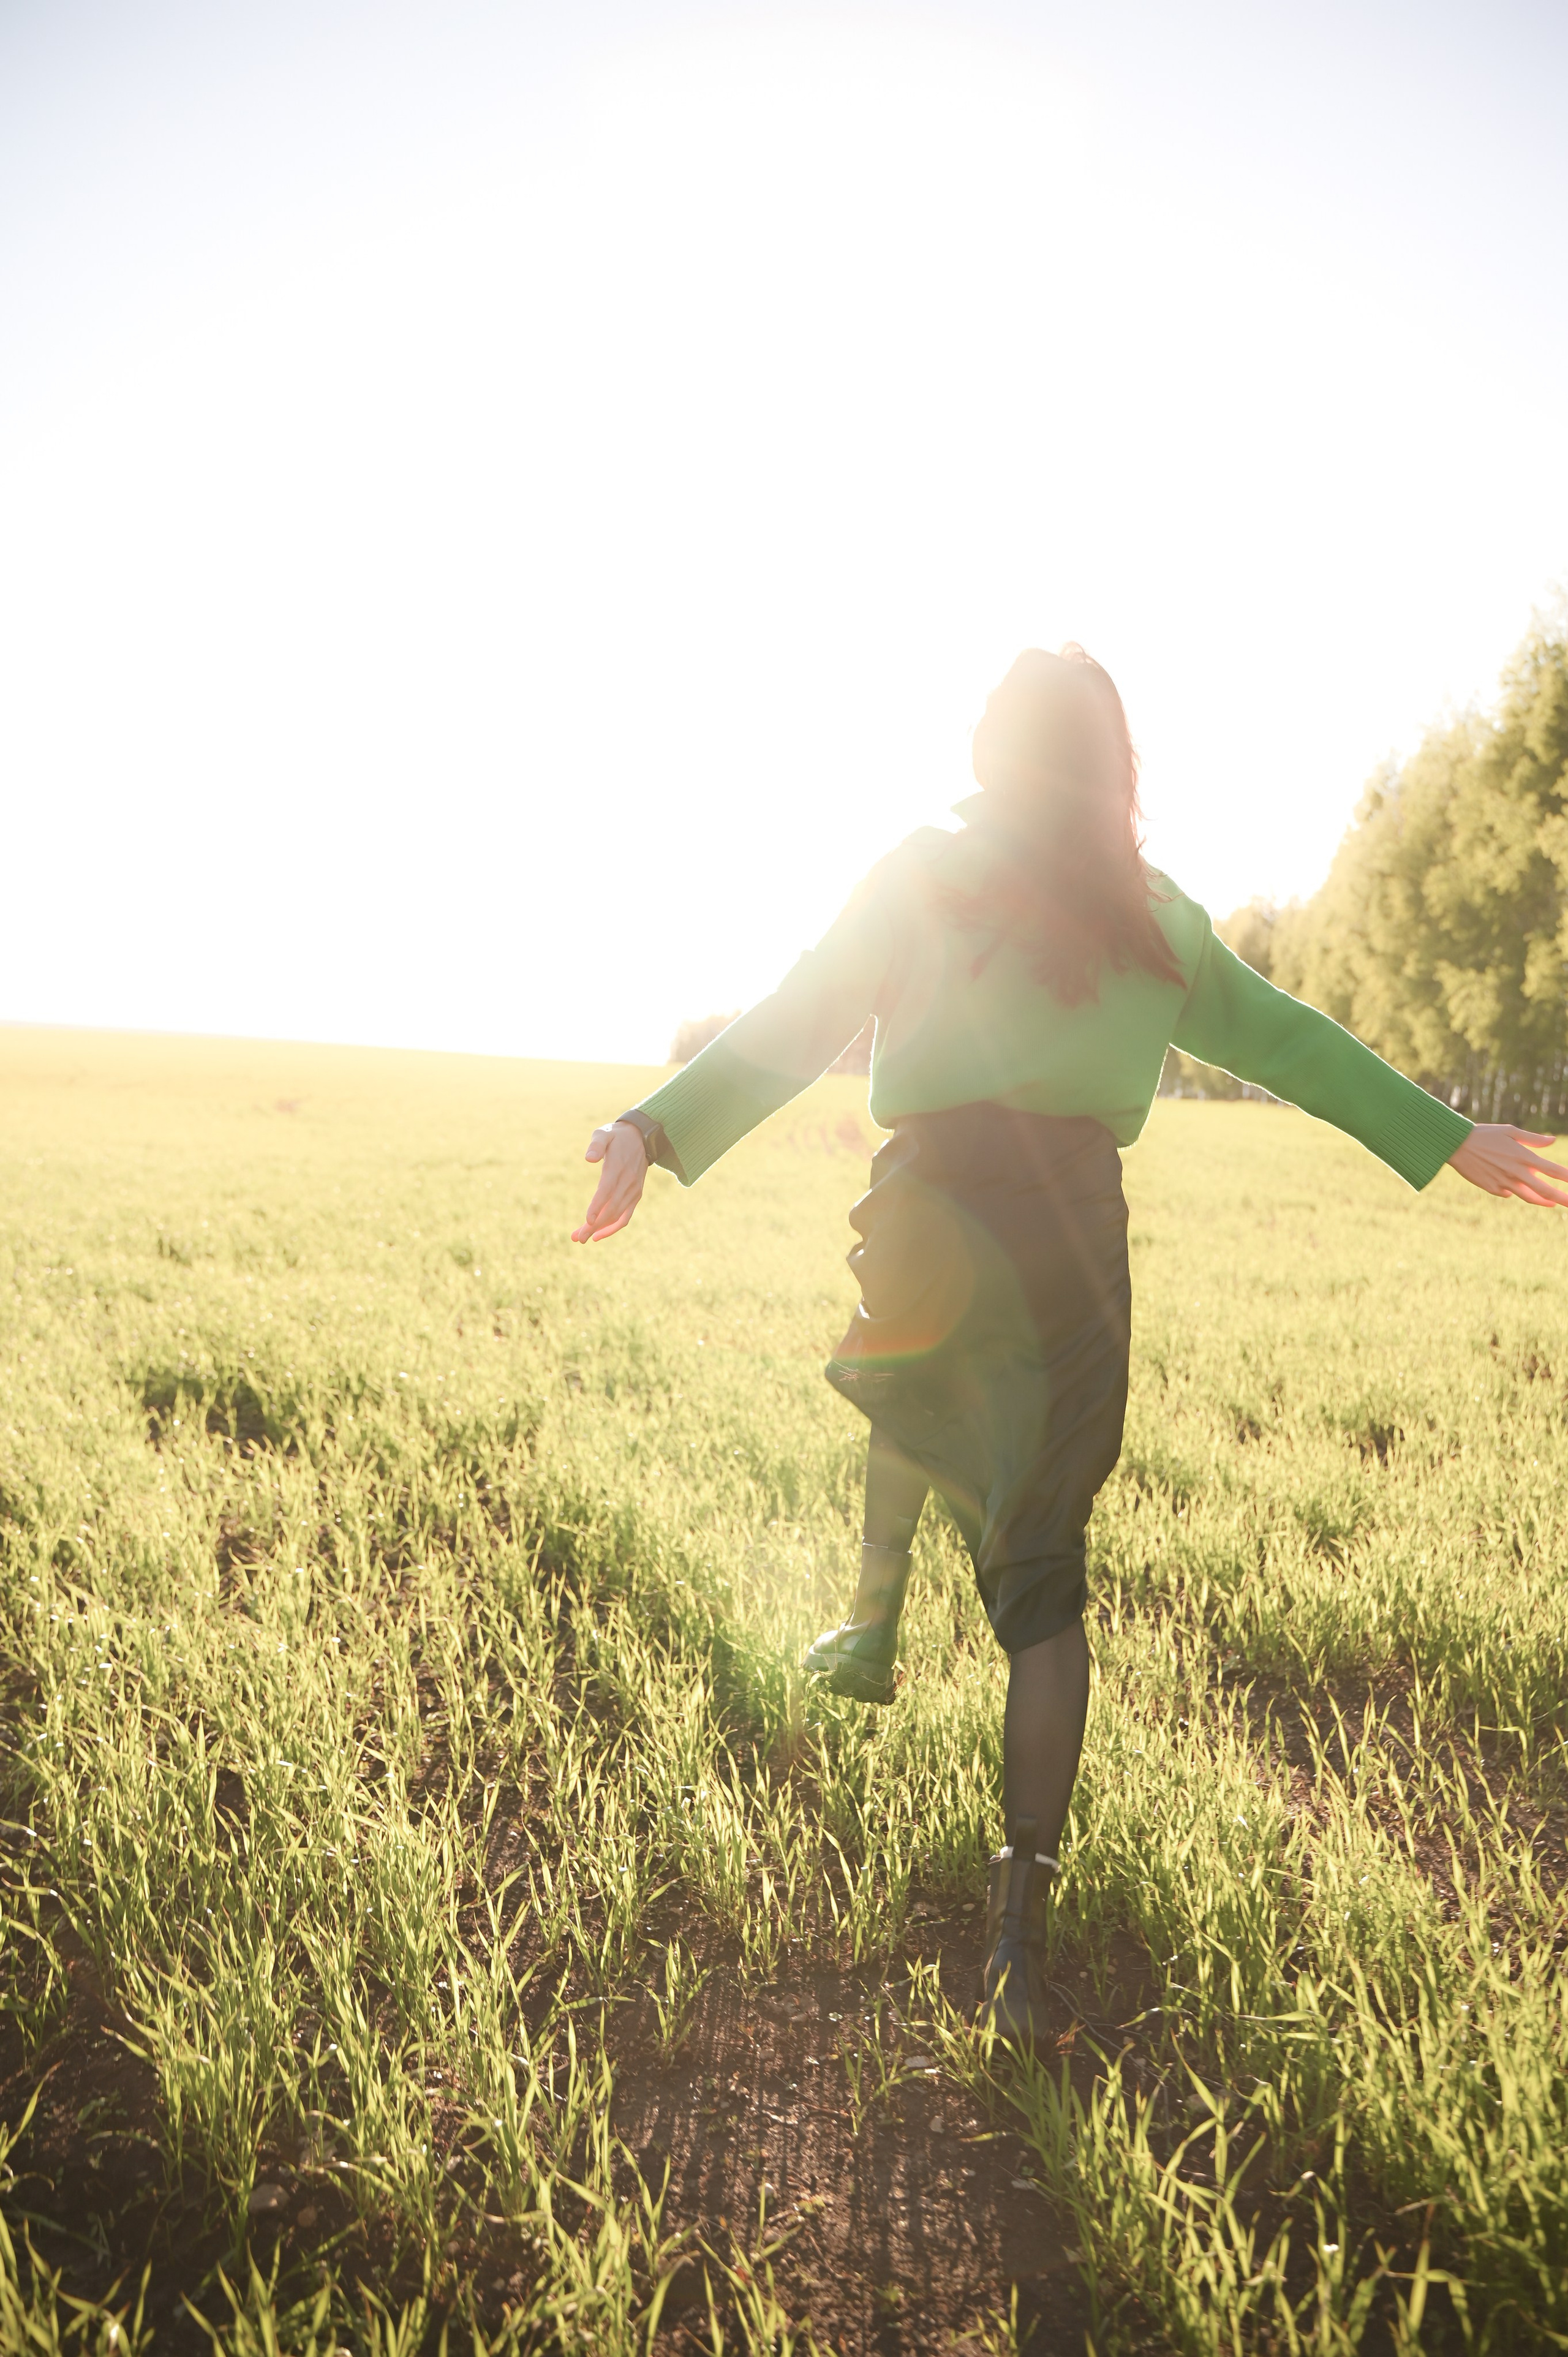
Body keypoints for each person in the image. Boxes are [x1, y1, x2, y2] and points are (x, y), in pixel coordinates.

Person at [571, 645, 1568, 2042]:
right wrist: (1445, 1133)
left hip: (929, 1209)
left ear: (995, 753)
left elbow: (800, 1016)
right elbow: (1293, 1042)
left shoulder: (926, 874)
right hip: (1068, 1255)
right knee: (1041, 1584)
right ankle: (1016, 1945)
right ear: (1114, 768)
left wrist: (652, 1126)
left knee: (907, 1375)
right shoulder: (1154, 919)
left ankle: (872, 1621)